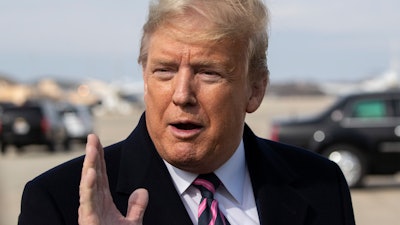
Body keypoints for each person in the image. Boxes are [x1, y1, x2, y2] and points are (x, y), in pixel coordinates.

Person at [18, 0, 356, 224]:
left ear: (255, 90)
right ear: (144, 76)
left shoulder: (323, 185)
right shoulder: (60, 201)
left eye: (209, 72)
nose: (182, 95)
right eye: (164, 70)